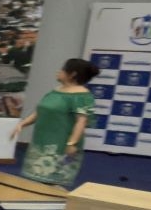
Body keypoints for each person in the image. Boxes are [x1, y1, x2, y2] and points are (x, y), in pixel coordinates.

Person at [15, 58, 99, 186]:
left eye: (63, 69)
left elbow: (81, 122)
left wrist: (72, 143)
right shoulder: (56, 91)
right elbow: (40, 111)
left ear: (73, 74)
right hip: (42, 141)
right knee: (35, 180)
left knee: (51, 182)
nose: (58, 72)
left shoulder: (82, 96)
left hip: (60, 145)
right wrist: (22, 124)